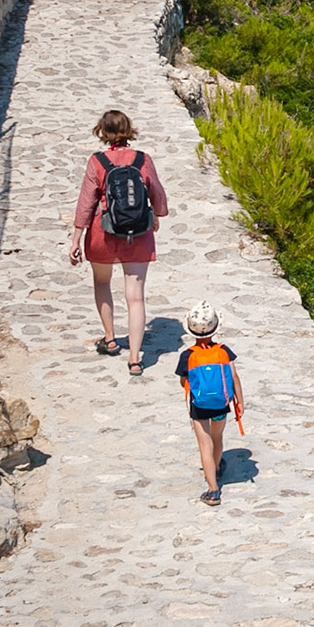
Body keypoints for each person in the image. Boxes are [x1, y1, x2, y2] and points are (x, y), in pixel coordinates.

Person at [68, 110, 169, 376]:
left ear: (102, 131)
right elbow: (157, 193)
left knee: (102, 282)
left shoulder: (97, 162)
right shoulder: (142, 159)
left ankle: (110, 338)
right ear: (128, 129)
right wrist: (156, 217)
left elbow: (86, 203)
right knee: (135, 297)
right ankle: (135, 359)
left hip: (103, 234)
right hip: (138, 235)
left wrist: (76, 238)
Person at [175, 302, 242, 506]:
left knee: (205, 444)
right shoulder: (224, 351)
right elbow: (234, 377)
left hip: (199, 406)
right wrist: (240, 401)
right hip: (222, 404)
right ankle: (218, 466)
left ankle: (213, 490)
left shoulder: (188, 355)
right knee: (217, 436)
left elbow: (183, 381)